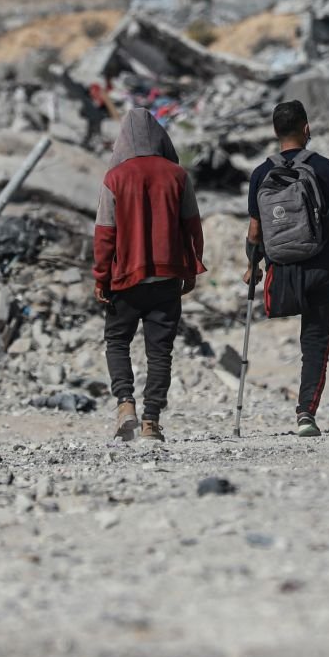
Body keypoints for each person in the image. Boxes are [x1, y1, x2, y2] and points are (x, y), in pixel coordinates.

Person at [93, 107, 204, 442]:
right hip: (167, 277)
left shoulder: (114, 178)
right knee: (160, 352)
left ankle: (125, 404)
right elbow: (192, 226)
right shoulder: (177, 175)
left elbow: (105, 233)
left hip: (125, 278)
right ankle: (151, 422)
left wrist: (101, 277)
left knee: (117, 341)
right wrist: (192, 266)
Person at [246, 99, 329, 437]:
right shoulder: (326, 168)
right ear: (307, 128)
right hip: (321, 267)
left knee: (302, 333)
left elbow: (254, 232)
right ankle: (306, 412)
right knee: (316, 341)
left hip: (281, 274)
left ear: (275, 132)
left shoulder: (260, 174)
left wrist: (253, 266)